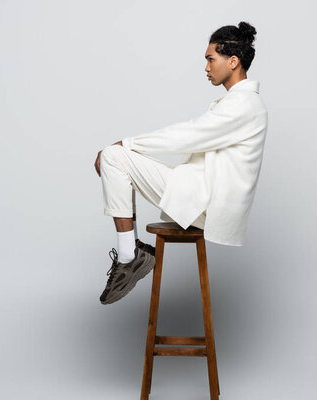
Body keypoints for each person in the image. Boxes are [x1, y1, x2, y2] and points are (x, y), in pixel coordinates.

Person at [95, 21, 268, 305]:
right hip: (201, 196)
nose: (206, 67)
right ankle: (131, 255)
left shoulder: (244, 105)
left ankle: (129, 255)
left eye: (211, 59)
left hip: (205, 203)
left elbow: (188, 135)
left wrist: (126, 144)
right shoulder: (239, 103)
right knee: (119, 157)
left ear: (233, 61)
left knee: (113, 155)